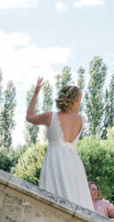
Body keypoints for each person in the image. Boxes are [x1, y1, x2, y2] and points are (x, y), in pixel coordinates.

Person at [26, 79, 92, 209]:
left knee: (53, 199)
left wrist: (35, 93)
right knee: (76, 198)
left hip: (55, 160)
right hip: (74, 163)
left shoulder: (51, 116)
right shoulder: (81, 120)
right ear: (76, 101)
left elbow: (29, 116)